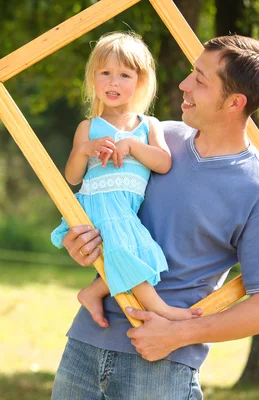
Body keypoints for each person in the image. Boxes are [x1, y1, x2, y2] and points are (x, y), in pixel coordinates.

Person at [51, 34, 259, 400]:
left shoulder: (257, 191)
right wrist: (81, 242)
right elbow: (107, 209)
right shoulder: (157, 137)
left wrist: (179, 334)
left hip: (160, 367)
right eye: (192, 72)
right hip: (85, 343)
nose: (184, 84)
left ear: (235, 102)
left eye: (201, 79)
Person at [51, 31, 203, 324]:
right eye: (105, 73)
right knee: (123, 246)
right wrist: (85, 151)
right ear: (93, 79)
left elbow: (163, 163)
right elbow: (72, 177)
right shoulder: (89, 127)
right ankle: (158, 307)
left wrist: (131, 145)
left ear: (140, 82)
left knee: (136, 249)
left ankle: (94, 291)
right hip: (98, 202)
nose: (113, 82)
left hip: (126, 208)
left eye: (124, 75)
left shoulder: (148, 125)